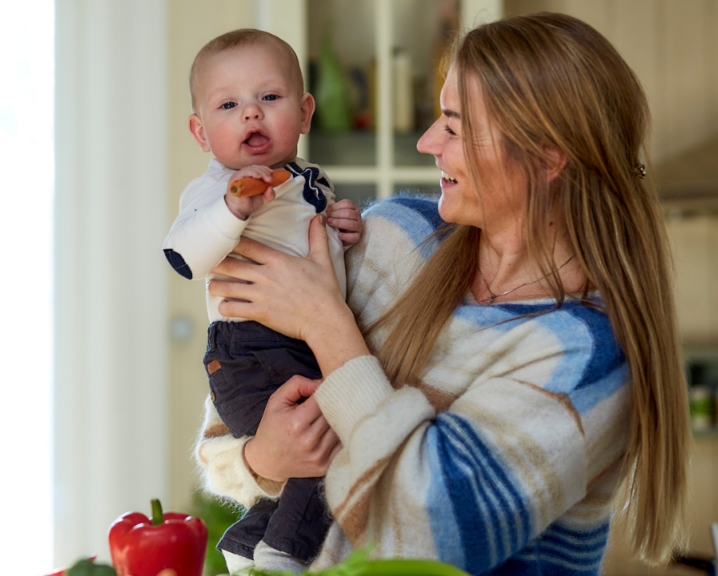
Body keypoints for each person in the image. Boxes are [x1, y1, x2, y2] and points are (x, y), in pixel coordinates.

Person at [195, 12, 689, 574]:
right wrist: (261, 459)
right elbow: (227, 419)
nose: (430, 142)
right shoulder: (392, 236)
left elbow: (426, 538)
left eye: (454, 127)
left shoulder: (586, 358)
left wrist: (326, 324)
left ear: (549, 156)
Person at [162, 29, 363, 572]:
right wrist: (231, 210)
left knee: (322, 449)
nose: (251, 114)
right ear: (201, 133)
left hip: (299, 343)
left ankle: (248, 541)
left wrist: (338, 228)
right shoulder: (216, 189)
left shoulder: (305, 178)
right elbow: (183, 256)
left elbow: (314, 252)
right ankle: (284, 554)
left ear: (304, 112)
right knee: (338, 439)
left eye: (269, 99)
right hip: (251, 351)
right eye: (230, 105)